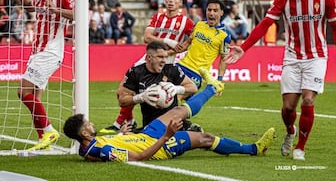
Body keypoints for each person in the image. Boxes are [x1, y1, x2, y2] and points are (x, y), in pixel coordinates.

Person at [225, 0, 336, 161]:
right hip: (292, 56)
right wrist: (244, 47)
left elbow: (335, 28)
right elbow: (265, 24)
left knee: (308, 100)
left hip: (316, 57)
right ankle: (290, 131)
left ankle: (300, 148)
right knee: (288, 107)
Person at [63, 67, 276, 162]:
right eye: (88, 123)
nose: (91, 124)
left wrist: (122, 136)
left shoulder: (88, 146)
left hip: (146, 135)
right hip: (158, 147)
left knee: (177, 110)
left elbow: (101, 150)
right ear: (84, 132)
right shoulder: (100, 151)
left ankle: (212, 87)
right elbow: (138, 157)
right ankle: (254, 149)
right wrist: (166, 136)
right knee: (205, 139)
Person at [99, 0, 195, 134]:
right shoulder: (157, 18)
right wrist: (168, 41)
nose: (171, 1)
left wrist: (184, 46)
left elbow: (194, 38)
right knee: (122, 92)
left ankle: (125, 122)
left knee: (165, 96)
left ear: (180, 2)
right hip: (148, 59)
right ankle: (127, 120)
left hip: (166, 63)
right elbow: (147, 37)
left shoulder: (186, 22)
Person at [11, 0, 74, 151]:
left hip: (50, 52)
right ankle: (43, 139)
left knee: (23, 92)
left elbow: (76, 14)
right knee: (35, 97)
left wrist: (56, 10)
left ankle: (49, 131)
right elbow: (29, 5)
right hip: (38, 52)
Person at [116, 41, 198, 129]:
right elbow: (122, 101)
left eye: (166, 57)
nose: (163, 60)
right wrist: (141, 97)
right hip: (151, 126)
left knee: (199, 134)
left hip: (176, 123)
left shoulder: (172, 69)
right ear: (148, 57)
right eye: (160, 57)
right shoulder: (135, 73)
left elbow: (193, 87)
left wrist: (177, 89)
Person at [175, 0, 231, 90]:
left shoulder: (225, 36)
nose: (211, 13)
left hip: (196, 74)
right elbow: (188, 42)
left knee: (175, 97)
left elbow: (223, 59)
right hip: (181, 65)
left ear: (221, 12)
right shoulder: (199, 24)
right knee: (161, 90)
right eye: (209, 10)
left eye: (215, 11)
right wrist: (169, 52)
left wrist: (219, 80)